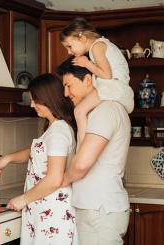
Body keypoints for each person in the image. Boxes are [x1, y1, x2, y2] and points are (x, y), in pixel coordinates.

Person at [0, 73, 78, 245]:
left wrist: (23, 199)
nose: (32, 105)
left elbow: (54, 179)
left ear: (49, 98)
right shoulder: (54, 127)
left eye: (36, 100)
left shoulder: (59, 131)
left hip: (53, 213)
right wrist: (7, 159)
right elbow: (36, 152)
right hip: (45, 209)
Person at [57, 57, 131, 245]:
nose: (65, 93)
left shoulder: (107, 109)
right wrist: (80, 113)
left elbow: (82, 164)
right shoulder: (94, 111)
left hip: (101, 210)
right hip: (93, 206)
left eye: (68, 85)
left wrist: (61, 180)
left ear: (88, 80)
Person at [60, 17, 134, 147]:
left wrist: (87, 63)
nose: (69, 52)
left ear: (82, 38)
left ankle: (81, 149)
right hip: (118, 88)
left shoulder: (97, 47)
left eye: (70, 46)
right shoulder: (101, 45)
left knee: (79, 111)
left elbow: (106, 75)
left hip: (113, 87)